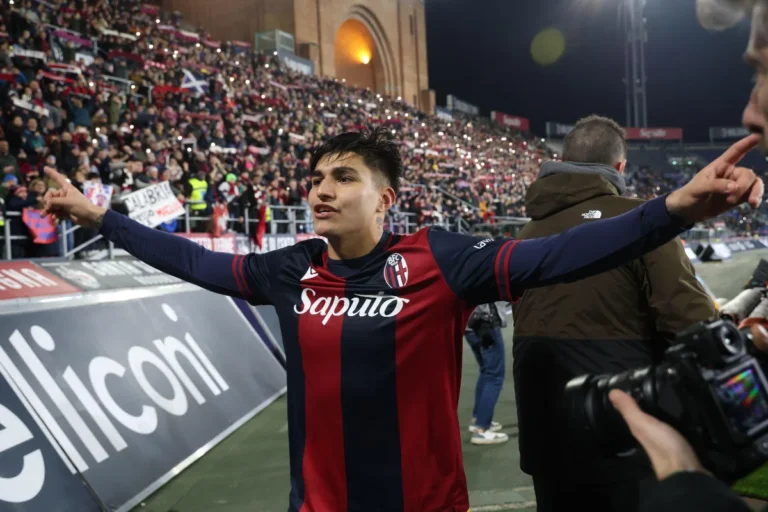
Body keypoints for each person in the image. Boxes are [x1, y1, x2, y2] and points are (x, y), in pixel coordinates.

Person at [39, 127, 762, 512]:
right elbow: (194, 261)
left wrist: (672, 210)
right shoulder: (290, 270)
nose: (321, 190)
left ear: (385, 199)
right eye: (315, 179)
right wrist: (101, 218)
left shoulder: (439, 261)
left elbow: (560, 254)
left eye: (343, 177)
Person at [509, 114, 719, 511]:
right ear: (619, 168)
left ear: (561, 162)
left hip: (545, 437)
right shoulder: (643, 222)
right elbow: (690, 321)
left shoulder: (524, 235)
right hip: (624, 435)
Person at [464, 298, 508, 445]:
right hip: (485, 322)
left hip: (470, 323)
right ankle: (481, 428)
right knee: (495, 375)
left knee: (486, 371)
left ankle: (479, 418)